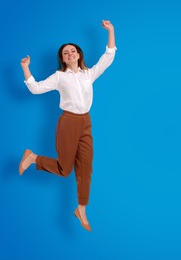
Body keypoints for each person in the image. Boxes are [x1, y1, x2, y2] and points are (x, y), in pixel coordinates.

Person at [18, 20, 116, 232]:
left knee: (86, 168)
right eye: (65, 53)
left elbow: (108, 57)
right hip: (68, 122)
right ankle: (33, 158)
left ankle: (81, 209)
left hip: (85, 122)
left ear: (79, 55)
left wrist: (111, 31)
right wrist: (26, 68)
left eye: (73, 51)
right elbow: (35, 88)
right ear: (62, 59)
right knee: (65, 170)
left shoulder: (89, 73)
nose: (70, 54)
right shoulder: (59, 77)